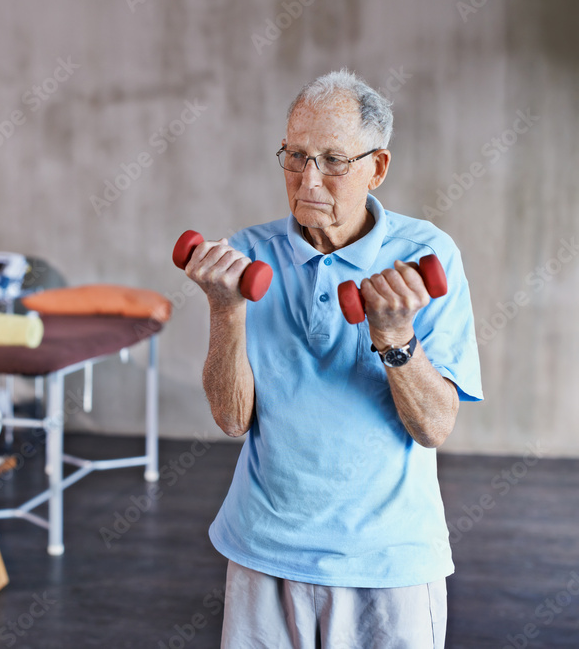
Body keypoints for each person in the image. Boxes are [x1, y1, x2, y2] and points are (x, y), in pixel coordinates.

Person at [184, 70, 483, 648]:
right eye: (294, 156)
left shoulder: (427, 256)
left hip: (389, 561)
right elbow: (230, 419)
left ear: (378, 167)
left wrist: (395, 335)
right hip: (263, 549)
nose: (308, 180)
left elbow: (435, 426)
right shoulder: (247, 256)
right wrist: (226, 310)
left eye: (333, 160)